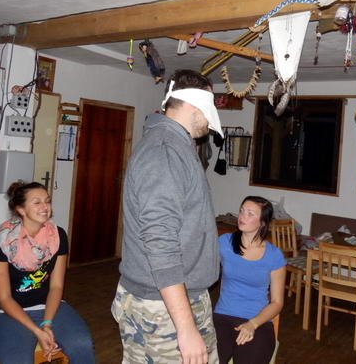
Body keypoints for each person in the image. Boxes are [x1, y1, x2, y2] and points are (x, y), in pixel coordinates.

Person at [112, 69, 224, 364]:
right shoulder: (164, 151)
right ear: (194, 104)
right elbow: (160, 242)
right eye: (210, 106)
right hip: (161, 308)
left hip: (177, 298)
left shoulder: (176, 146)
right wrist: (185, 329)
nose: (211, 120)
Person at [0, 181, 96, 364]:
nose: (45, 207)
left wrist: (47, 323)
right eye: (37, 202)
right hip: (5, 313)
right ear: (21, 209)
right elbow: (4, 298)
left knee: (82, 345)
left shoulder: (58, 236)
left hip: (48, 306)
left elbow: (56, 286)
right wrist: (38, 331)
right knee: (17, 360)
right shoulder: (2, 242)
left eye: (47, 201)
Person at [213, 196, 286, 364]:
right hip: (222, 316)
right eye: (242, 211)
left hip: (258, 321)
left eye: (250, 213)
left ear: (262, 223)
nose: (242, 216)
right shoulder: (224, 242)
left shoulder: (274, 256)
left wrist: (252, 324)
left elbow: (277, 302)